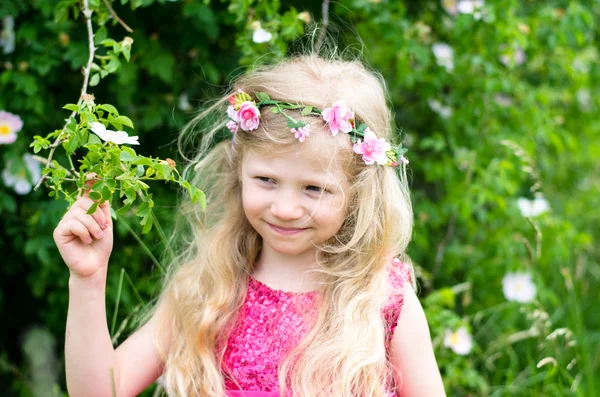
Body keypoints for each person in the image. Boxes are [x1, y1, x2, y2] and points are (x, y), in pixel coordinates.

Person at [54, 51, 446, 396]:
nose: (286, 208)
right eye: (266, 181)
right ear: (238, 171)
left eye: (314, 188)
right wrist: (88, 283)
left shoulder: (383, 303)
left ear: (358, 192)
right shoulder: (208, 289)